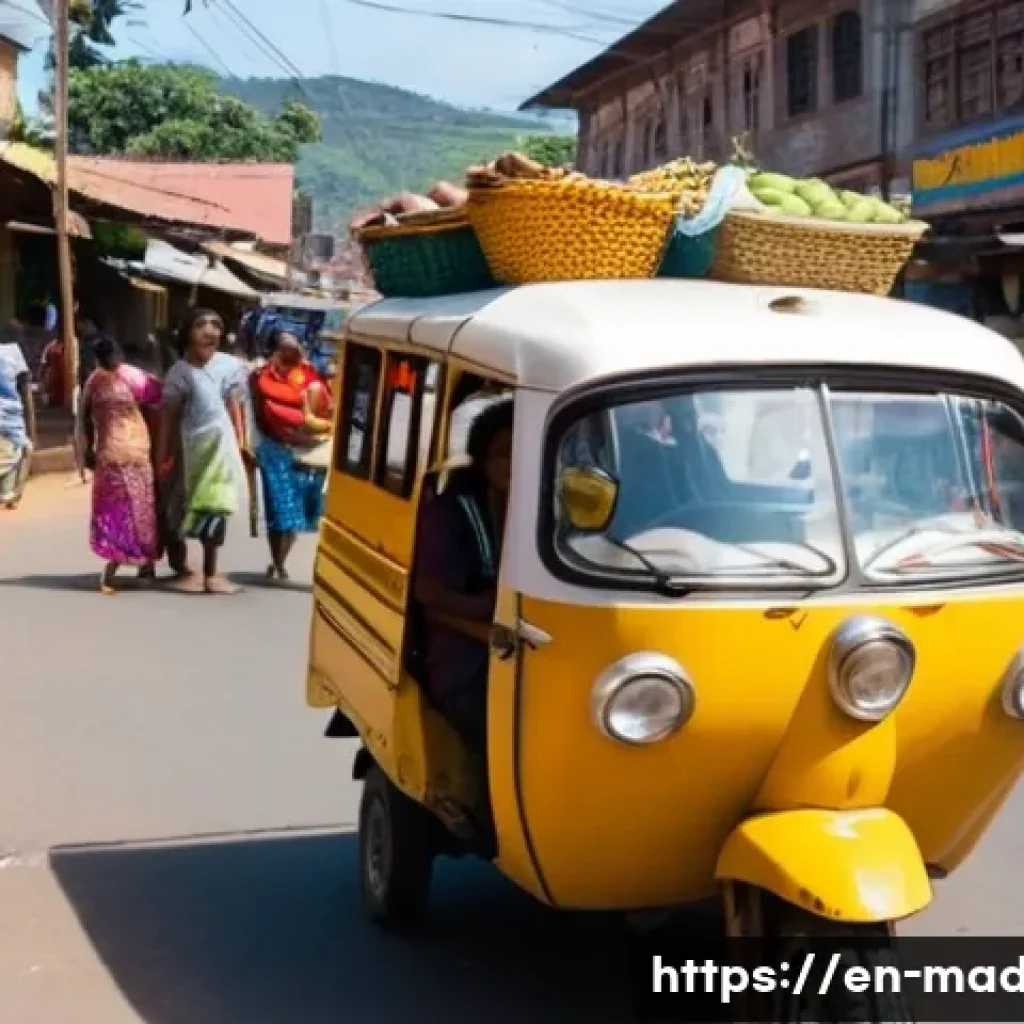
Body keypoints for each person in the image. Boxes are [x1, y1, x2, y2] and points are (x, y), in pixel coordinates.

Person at [412, 396, 514, 854]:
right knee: (510, 728)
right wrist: (486, 615)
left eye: (526, 451)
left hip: (541, 650)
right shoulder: (452, 512)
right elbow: (429, 596)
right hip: (466, 659)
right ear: (482, 459)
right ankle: (500, 829)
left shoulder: (560, 505)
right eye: (504, 453)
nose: (515, 464)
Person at [155, 308, 250, 595]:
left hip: (221, 451)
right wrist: (162, 456)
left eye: (215, 325)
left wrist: (243, 443)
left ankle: (211, 573)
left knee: (216, 507)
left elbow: (236, 405)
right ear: (188, 334)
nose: (210, 332)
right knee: (180, 510)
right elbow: (168, 417)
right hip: (191, 452)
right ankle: (177, 559)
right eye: (201, 326)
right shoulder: (179, 374)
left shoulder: (229, 366)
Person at [78, 336, 163, 594]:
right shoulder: (131, 377)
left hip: (120, 453)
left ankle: (122, 558)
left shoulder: (96, 382)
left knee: (118, 508)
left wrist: (87, 451)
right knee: (137, 507)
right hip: (127, 452)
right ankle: (139, 561)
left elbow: (85, 419)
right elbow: (159, 402)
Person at [252, 327, 333, 581]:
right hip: (273, 449)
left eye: (294, 346)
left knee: (297, 511)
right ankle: (278, 561)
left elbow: (326, 409)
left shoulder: (311, 377)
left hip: (308, 451)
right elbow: (256, 412)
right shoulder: (261, 378)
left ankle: (280, 560)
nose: (290, 351)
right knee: (279, 509)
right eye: (283, 347)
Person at [0, 337, 35, 510]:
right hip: (11, 417)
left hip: (10, 417)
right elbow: (26, 391)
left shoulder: (12, 352)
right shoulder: (13, 353)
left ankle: (9, 493)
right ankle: (11, 495)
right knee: (24, 449)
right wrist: (32, 428)